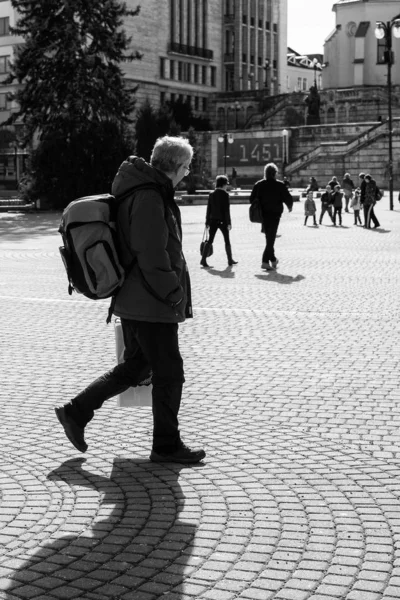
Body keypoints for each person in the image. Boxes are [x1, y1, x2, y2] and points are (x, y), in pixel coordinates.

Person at [55, 135, 206, 465]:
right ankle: (166, 445)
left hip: (137, 297)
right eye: (186, 166)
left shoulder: (143, 189)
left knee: (136, 367)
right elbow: (151, 252)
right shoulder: (149, 196)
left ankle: (75, 412)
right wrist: (172, 292)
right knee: (170, 373)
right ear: (175, 166)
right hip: (151, 301)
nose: (187, 172)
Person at [250, 162, 293, 271]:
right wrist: (289, 206)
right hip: (275, 215)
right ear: (274, 173)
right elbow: (287, 197)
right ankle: (265, 261)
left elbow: (251, 199)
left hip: (263, 215)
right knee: (271, 239)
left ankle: (273, 259)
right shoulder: (279, 185)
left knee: (269, 237)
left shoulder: (258, 184)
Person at [200, 175, 238, 268]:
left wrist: (207, 222)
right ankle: (229, 260)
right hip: (223, 221)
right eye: (226, 184)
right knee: (227, 241)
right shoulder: (225, 195)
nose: (226, 186)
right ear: (223, 184)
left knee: (210, 241)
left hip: (213, 221)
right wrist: (229, 223)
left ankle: (203, 260)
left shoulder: (211, 194)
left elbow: (208, 209)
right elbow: (226, 211)